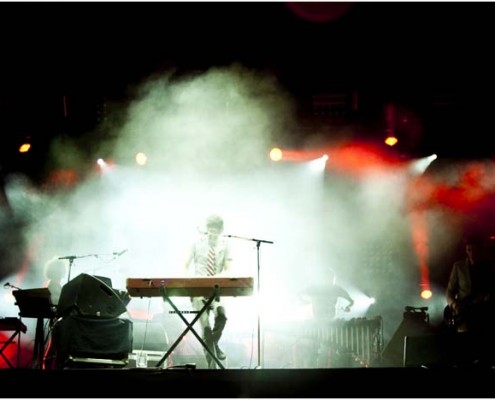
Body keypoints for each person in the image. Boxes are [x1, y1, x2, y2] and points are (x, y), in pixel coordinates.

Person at [183, 214, 232, 369]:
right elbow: (185, 265)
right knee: (206, 327)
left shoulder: (225, 245)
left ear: (220, 230)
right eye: (210, 228)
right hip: (198, 290)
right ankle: (213, 368)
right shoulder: (196, 244)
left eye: (216, 229)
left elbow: (228, 269)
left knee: (222, 317)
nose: (212, 231)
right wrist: (190, 283)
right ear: (206, 228)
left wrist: (217, 278)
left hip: (216, 288)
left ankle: (214, 344)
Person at [445, 233, 495, 365]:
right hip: (464, 316)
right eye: (469, 250)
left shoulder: (489, 266)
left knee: (482, 354)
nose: (472, 253)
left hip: (483, 315)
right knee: (464, 353)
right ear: (466, 250)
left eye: (474, 249)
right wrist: (454, 305)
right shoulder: (458, 266)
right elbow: (449, 292)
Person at [298, 267, 354, 367]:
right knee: (315, 347)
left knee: (330, 347)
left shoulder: (336, 289)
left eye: (332, 278)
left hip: (331, 323)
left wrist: (348, 307)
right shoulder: (315, 288)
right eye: (328, 278)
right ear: (323, 278)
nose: (330, 280)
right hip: (317, 322)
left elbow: (351, 301)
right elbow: (299, 294)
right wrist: (304, 302)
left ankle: (329, 364)